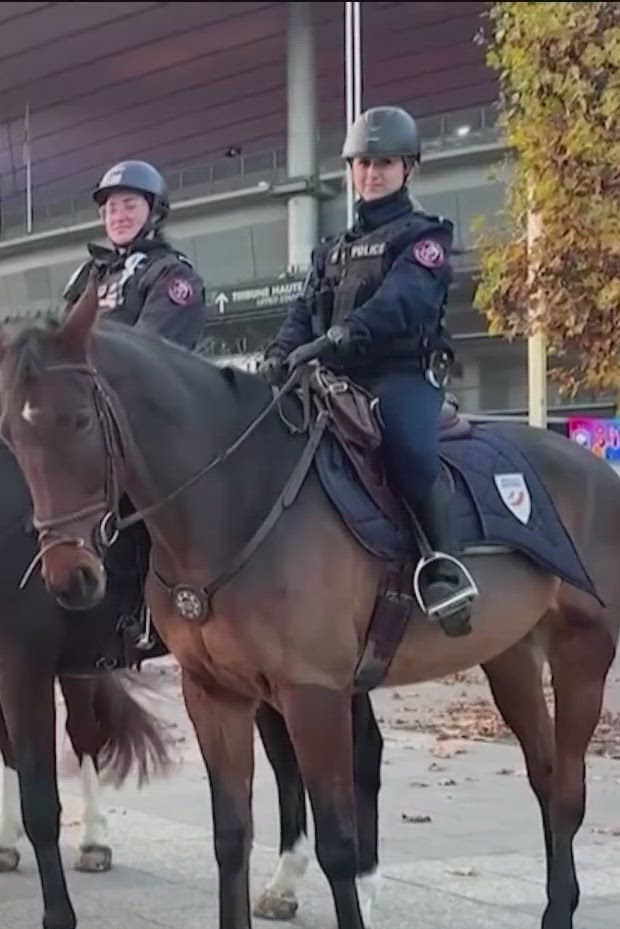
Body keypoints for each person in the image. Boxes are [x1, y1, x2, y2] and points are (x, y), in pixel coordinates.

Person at [256, 105, 477, 635]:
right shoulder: (331, 250)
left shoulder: (425, 237)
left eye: (383, 163)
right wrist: (280, 352)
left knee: (411, 451)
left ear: (408, 169)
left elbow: (404, 301)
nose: (371, 174)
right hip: (331, 378)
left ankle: (445, 568)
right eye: (362, 164)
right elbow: (301, 312)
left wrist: (337, 339)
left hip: (395, 377)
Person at [61, 160, 206, 350]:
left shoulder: (171, 274)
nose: (119, 217)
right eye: (112, 209)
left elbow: (149, 352)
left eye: (130, 206)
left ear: (155, 213)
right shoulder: (88, 274)